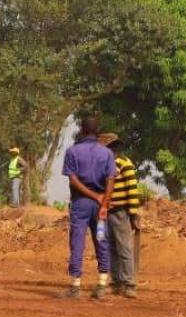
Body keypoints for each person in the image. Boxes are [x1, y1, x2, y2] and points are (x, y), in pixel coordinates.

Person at [60, 116, 117, 299]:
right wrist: (104, 202)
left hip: (80, 205)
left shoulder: (72, 152)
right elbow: (111, 180)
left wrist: (93, 196)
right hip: (100, 207)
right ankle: (101, 285)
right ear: (97, 131)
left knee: (77, 243)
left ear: (82, 131)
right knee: (101, 240)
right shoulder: (107, 153)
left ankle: (75, 287)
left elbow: (73, 180)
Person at [100, 133, 142, 298]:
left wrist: (133, 215)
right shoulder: (104, 165)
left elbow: (132, 191)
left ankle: (129, 283)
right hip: (106, 212)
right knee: (111, 248)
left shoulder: (125, 164)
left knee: (124, 248)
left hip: (121, 212)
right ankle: (117, 282)